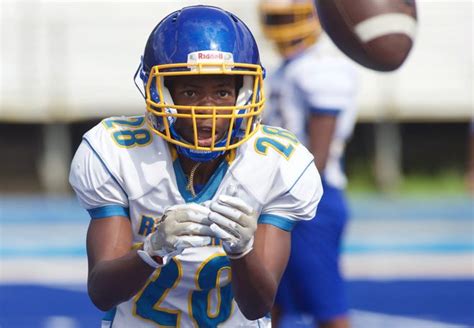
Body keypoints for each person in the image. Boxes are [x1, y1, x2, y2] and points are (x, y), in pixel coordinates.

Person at [69, 5, 323, 328]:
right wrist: (151, 251)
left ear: (244, 95)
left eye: (222, 92)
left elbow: (258, 304)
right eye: (190, 92)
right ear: (160, 92)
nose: (208, 111)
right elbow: (102, 292)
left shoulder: (279, 164)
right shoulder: (115, 152)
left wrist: (242, 251)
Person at [260, 1, 359, 327]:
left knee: (325, 306)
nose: (283, 25)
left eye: (288, 16)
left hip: (311, 198)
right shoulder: (284, 69)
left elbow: (318, 156)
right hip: (277, 194)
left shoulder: (323, 66)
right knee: (266, 301)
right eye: (277, 18)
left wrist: (287, 194)